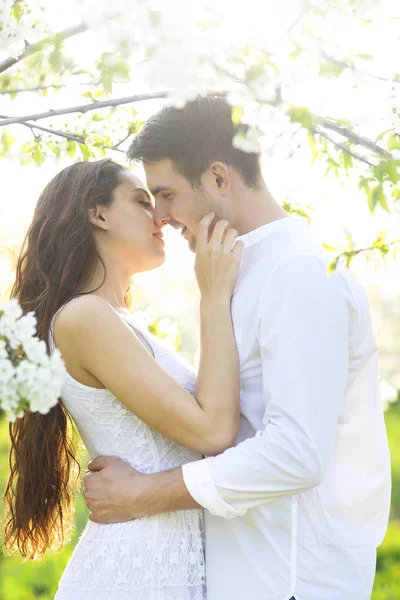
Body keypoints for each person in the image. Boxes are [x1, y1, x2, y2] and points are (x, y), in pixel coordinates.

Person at [84, 97, 392, 600]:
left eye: (166, 194)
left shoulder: (298, 274)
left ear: (219, 178)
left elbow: (296, 453)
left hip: (291, 581)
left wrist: (144, 494)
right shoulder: (232, 270)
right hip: (247, 577)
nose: (159, 216)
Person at [4, 158, 244, 600]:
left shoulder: (116, 320)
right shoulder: (83, 317)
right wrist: (213, 295)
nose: (161, 217)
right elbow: (212, 431)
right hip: (135, 575)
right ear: (97, 215)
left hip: (164, 566)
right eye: (141, 202)